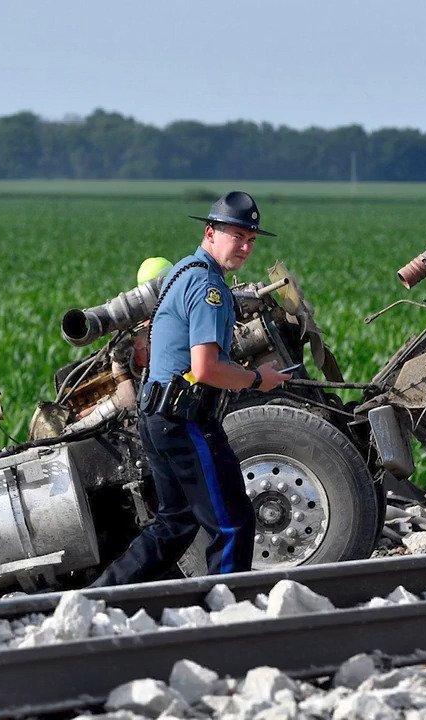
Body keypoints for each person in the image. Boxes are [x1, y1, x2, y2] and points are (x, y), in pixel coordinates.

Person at [89, 191, 291, 587]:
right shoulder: (208, 288)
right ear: (210, 233)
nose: (246, 247)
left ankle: (97, 598)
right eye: (237, 236)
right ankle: (226, 611)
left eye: (251, 239)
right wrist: (257, 379)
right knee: (232, 523)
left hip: (157, 416)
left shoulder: (184, 268)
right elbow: (206, 368)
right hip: (185, 421)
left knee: (175, 524)